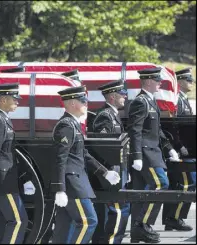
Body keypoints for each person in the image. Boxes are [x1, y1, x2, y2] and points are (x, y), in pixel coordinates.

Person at [50, 85, 121, 244]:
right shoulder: (66, 126)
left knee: (65, 225)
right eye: (83, 101)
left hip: (76, 180)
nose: (86, 104)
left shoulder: (73, 124)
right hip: (72, 183)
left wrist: (105, 172)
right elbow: (60, 158)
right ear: (73, 103)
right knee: (89, 221)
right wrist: (60, 188)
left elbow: (83, 154)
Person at [127, 67, 179, 243]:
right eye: (157, 81)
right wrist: (137, 156)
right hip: (146, 154)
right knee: (160, 185)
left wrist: (169, 147)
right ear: (148, 81)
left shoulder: (151, 101)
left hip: (154, 152)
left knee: (144, 192)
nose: (159, 84)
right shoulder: (140, 102)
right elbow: (135, 131)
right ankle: (143, 225)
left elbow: (156, 130)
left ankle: (138, 229)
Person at [0, 82, 36, 244]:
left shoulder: (3, 119)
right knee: (18, 221)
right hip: (2, 182)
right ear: (3, 100)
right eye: (14, 99)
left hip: (3, 180)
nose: (17, 102)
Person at [91, 80, 131, 244]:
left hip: (116, 169)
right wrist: (107, 172)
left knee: (120, 208)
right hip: (110, 172)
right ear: (113, 96)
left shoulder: (112, 114)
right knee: (119, 210)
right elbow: (102, 148)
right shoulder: (105, 116)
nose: (125, 97)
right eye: (122, 94)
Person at [162, 67, 194, 231]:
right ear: (180, 81)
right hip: (181, 151)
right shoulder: (177, 101)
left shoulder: (183, 99)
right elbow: (174, 127)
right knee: (186, 184)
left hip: (187, 149)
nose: (191, 83)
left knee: (181, 184)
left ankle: (173, 218)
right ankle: (174, 218)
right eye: (189, 80)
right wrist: (179, 145)